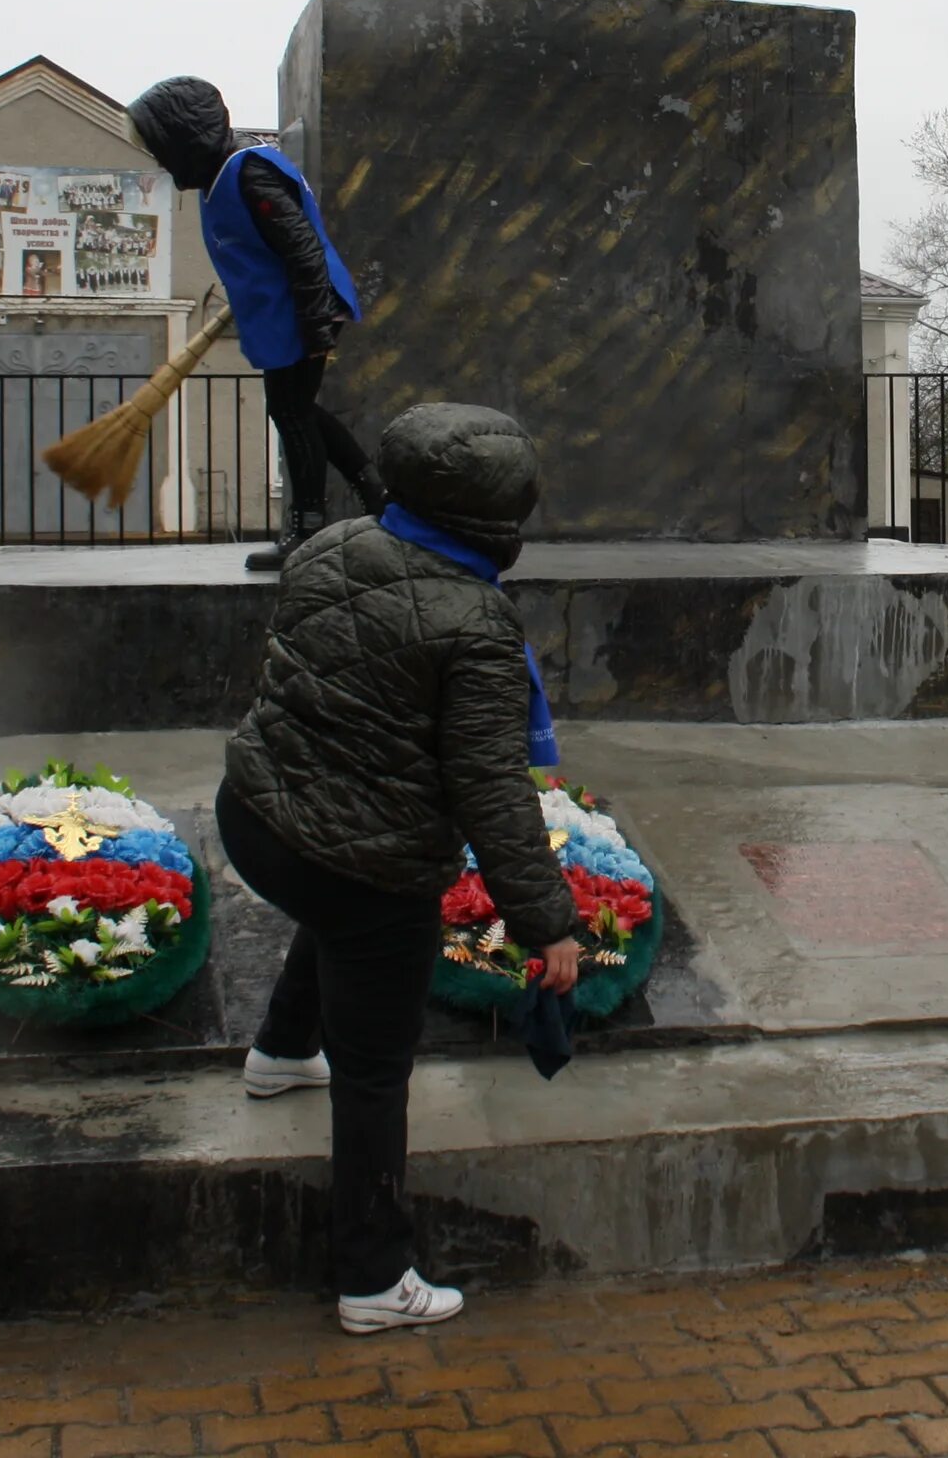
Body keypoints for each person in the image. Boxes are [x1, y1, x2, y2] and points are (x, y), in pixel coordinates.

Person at [216, 401, 580, 1335]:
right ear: (498, 519)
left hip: (257, 815)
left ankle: (280, 1052)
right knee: (375, 1068)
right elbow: (493, 787)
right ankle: (375, 1277)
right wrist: (546, 920)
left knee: (335, 886)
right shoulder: (478, 626)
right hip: (359, 862)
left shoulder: (332, 545)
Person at [127, 76, 379, 569]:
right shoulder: (223, 177)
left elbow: (304, 250)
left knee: (290, 412)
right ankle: (375, 493)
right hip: (284, 309)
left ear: (183, 138)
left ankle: (308, 528)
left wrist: (314, 328)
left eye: (161, 147)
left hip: (304, 306)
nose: (159, 160)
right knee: (296, 408)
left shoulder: (248, 175)